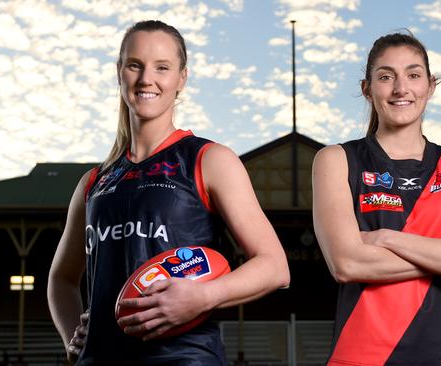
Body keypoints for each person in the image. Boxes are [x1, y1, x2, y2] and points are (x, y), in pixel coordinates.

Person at [47, 20, 290, 365]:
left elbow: (275, 267)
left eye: (162, 67)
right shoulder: (94, 182)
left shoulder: (209, 159)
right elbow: (61, 278)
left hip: (184, 358)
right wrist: (73, 337)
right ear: (120, 73)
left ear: (181, 79)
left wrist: (204, 296)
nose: (147, 78)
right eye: (135, 65)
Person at [312, 31, 441, 365]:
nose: (401, 89)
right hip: (364, 354)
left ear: (430, 86)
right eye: (386, 77)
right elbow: (348, 263)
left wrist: (384, 238)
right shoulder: (337, 159)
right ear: (367, 89)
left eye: (413, 75)